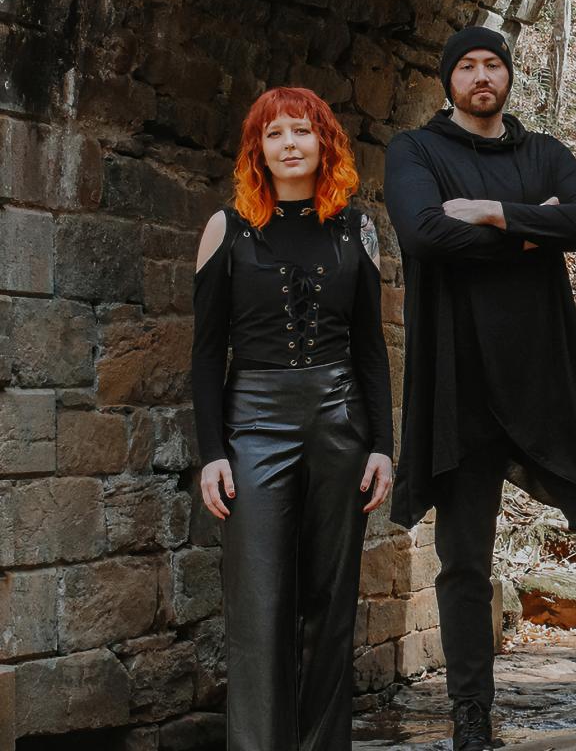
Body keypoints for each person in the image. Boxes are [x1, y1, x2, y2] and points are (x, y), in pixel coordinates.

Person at [383, 25, 576, 751]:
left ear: (509, 76)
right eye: (468, 66)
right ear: (450, 79)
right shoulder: (416, 151)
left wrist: (489, 213)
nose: (483, 76)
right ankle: (472, 712)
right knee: (465, 553)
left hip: (546, 369)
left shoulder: (544, 152)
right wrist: (532, 233)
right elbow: (420, 233)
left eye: (494, 65)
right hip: (460, 377)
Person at [191, 86, 394, 750]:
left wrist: (382, 447)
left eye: (301, 132)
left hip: (339, 422)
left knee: (329, 602)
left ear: (324, 143)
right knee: (259, 604)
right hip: (253, 422)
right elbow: (205, 354)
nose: (288, 144)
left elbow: (370, 347)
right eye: (274, 134)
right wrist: (213, 452)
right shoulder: (228, 228)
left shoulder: (357, 229)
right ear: (259, 149)